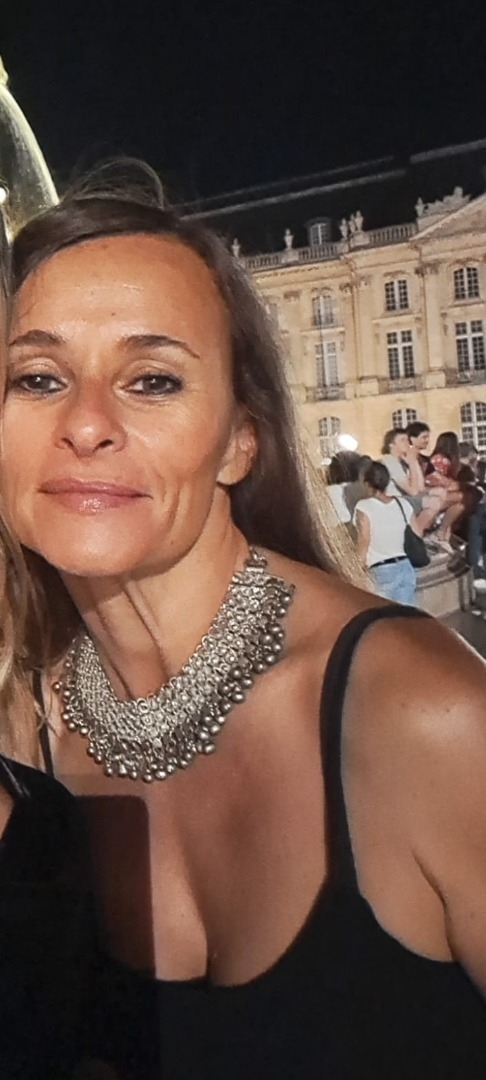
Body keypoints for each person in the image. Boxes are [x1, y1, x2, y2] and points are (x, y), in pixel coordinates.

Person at [2, 165, 486, 1078]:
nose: (86, 423)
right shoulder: (24, 732)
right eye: (37, 376)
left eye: (152, 379)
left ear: (240, 440)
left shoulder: (421, 715)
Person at [354, 461, 417, 604]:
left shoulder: (364, 507)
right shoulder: (403, 503)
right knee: (406, 614)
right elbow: (417, 531)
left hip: (381, 569)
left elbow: (364, 539)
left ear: (367, 484)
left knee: (383, 614)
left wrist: (357, 567)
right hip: (405, 565)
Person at [380, 427, 447, 537]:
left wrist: (414, 462)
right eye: (402, 440)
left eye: (407, 440)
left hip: (406, 498)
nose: (407, 444)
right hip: (395, 500)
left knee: (440, 492)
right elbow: (413, 491)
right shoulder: (390, 461)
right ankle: (415, 534)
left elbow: (420, 487)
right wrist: (411, 462)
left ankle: (419, 531)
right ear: (391, 445)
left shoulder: (403, 461)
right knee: (434, 503)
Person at [425, 430, 467, 547]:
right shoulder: (441, 460)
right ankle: (440, 532)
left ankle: (442, 535)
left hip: (438, 493)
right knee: (462, 497)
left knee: (460, 505)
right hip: (433, 494)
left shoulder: (438, 459)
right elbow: (436, 481)